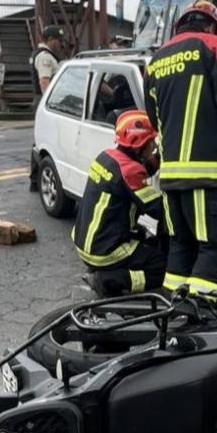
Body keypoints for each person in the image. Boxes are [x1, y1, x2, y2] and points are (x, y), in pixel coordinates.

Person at [143, 0, 217, 299]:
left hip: (171, 179)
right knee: (216, 248)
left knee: (181, 247)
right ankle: (198, 318)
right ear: (213, 24)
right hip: (208, 175)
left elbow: (153, 116)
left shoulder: (157, 59)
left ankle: (169, 310)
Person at [71, 110, 167, 295]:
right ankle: (110, 281)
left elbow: (125, 181)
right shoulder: (131, 171)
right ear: (139, 145)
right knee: (162, 266)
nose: (154, 148)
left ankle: (105, 272)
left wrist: (155, 163)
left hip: (84, 242)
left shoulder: (106, 157)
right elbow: (158, 209)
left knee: (146, 239)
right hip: (105, 250)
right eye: (150, 143)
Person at [33, 27, 67, 94]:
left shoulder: (46, 54)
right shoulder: (45, 56)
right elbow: (44, 82)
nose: (61, 44)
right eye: (59, 41)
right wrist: (49, 101)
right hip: (44, 98)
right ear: (50, 39)